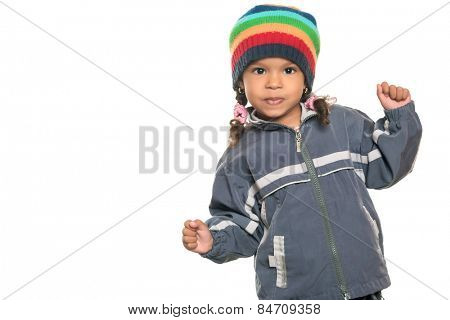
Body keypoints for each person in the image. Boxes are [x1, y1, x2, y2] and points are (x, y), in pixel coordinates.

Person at [181, 4, 422, 300]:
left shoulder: (342, 123)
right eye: (259, 70)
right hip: (293, 298)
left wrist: (400, 119)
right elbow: (242, 224)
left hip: (363, 287)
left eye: (288, 69)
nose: (273, 82)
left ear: (305, 78)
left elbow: (386, 166)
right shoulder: (240, 155)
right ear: (241, 83)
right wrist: (213, 239)